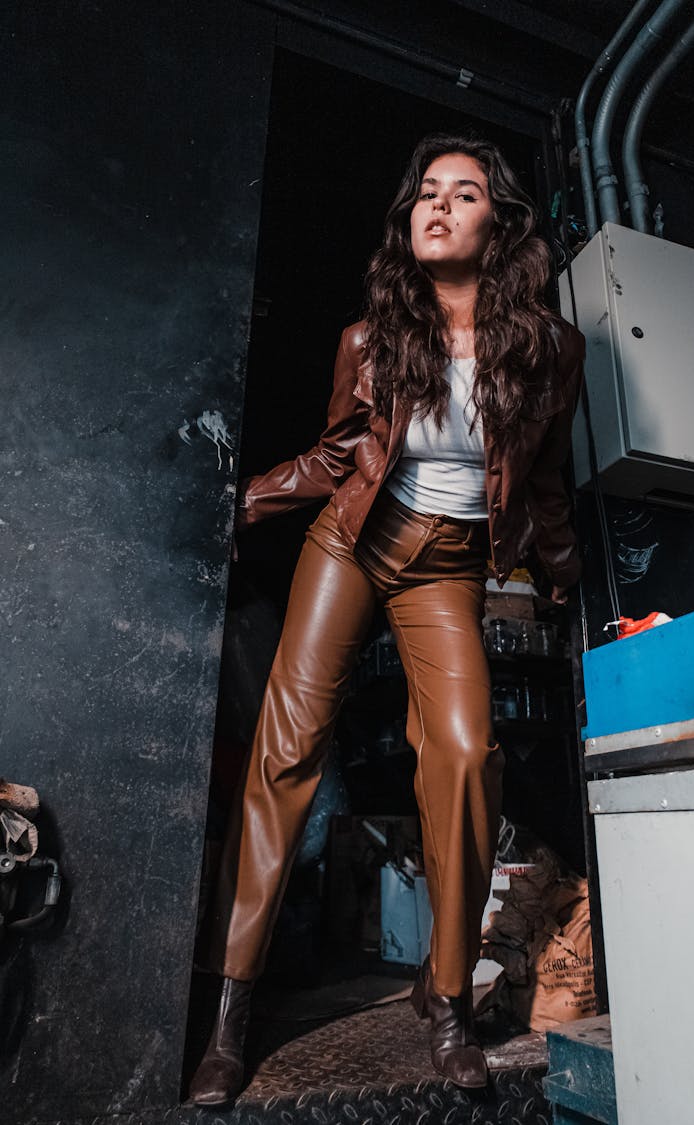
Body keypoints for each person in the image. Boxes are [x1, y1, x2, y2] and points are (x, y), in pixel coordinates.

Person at [189, 132, 585, 1106]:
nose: (440, 206)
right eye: (426, 195)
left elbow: (536, 481)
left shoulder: (548, 353)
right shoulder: (372, 338)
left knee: (464, 750)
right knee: (287, 749)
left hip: (447, 566)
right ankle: (232, 1008)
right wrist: (241, 500)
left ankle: (446, 998)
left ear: (501, 222)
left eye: (465, 192)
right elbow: (336, 458)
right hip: (352, 543)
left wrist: (565, 575)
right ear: (409, 220)